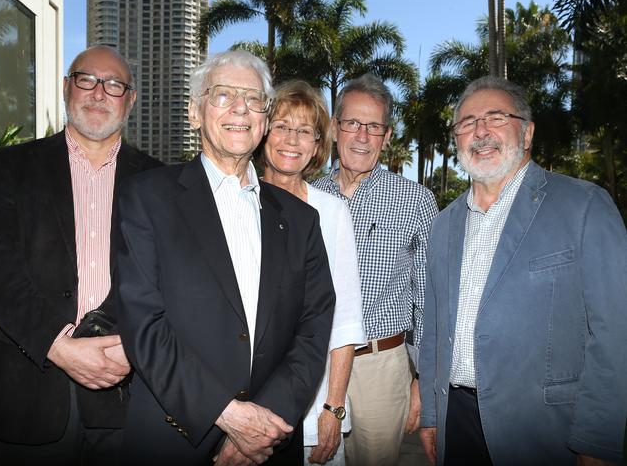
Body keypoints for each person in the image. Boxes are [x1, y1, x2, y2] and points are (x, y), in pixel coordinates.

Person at [115, 50, 336, 465]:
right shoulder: (146, 198)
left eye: (254, 99)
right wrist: (227, 415)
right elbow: (142, 322)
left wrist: (264, 423)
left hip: (270, 444)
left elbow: (313, 328)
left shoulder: (302, 220)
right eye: (223, 95)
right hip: (173, 438)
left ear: (265, 118)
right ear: (195, 112)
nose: (240, 108)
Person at [418, 75, 627, 466]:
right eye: (467, 122)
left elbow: (616, 331)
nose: (480, 131)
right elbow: (432, 329)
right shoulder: (443, 225)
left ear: (527, 133)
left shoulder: (583, 206)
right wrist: (432, 414)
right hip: (456, 422)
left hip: (547, 431)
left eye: (496, 117)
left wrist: (597, 438)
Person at [0, 45, 161, 465]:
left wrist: (127, 347)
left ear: (130, 99)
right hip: (28, 392)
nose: (99, 93)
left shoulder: (159, 181)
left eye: (114, 85)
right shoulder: (13, 167)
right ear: (66, 88)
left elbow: (165, 279)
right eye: (86, 79)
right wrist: (57, 345)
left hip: (127, 392)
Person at [313, 74, 438, 466]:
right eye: (352, 123)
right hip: (315, 367)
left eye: (374, 126)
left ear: (386, 136)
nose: (362, 135)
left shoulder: (414, 200)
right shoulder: (308, 196)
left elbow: (430, 298)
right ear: (335, 128)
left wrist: (422, 383)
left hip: (380, 367)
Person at [258, 79, 366, 465]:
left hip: (315, 408)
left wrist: (333, 407)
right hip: (247, 410)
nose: (292, 139)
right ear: (263, 131)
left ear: (318, 145)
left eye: (304, 131)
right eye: (282, 126)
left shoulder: (332, 212)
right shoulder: (238, 201)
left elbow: (346, 316)